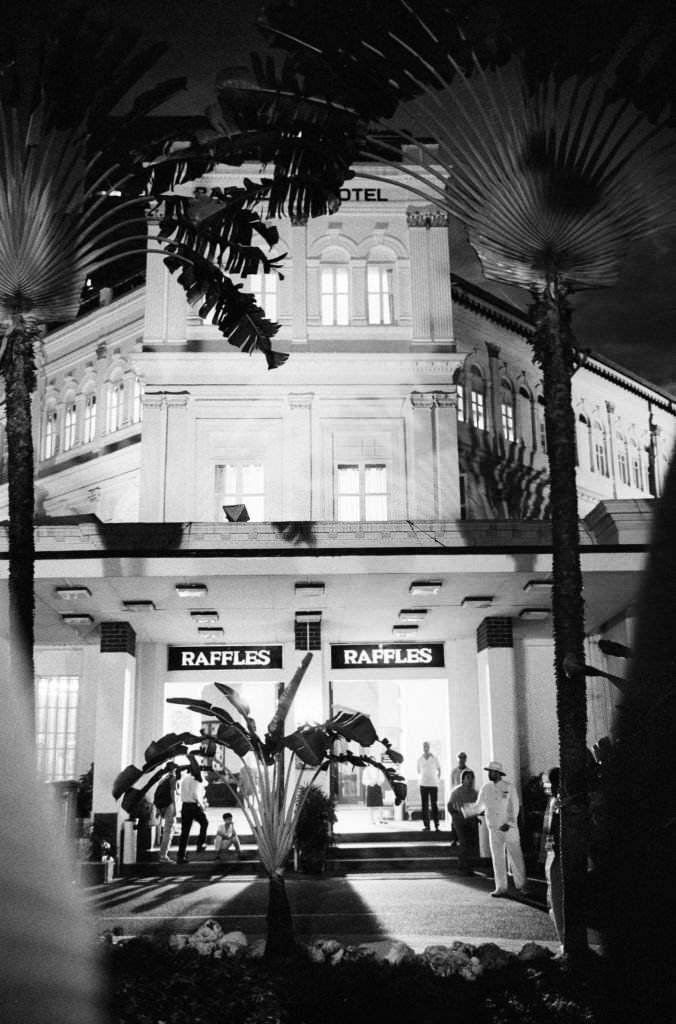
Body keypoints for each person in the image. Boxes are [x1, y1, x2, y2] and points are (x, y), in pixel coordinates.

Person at [462, 760, 530, 897]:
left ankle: (522, 885)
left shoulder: (509, 787)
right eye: (489, 771)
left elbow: (514, 807)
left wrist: (510, 822)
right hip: (493, 828)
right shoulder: (485, 788)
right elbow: (479, 806)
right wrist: (466, 810)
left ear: (498, 773)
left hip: (509, 828)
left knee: (515, 856)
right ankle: (500, 887)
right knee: (497, 857)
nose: (489, 774)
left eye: (491, 772)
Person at [540, 767, 563, 947]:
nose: (544, 786)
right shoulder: (552, 801)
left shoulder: (560, 803)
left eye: (547, 782)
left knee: (558, 900)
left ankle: (565, 943)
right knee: (553, 899)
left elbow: (554, 831)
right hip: (552, 854)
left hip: (559, 855)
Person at [447, 768, 479, 874]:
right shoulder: (456, 792)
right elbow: (450, 807)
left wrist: (476, 817)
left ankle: (463, 864)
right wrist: (456, 817)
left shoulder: (474, 793)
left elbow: (476, 807)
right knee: (464, 842)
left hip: (470, 820)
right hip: (459, 821)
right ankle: (465, 866)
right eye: (468, 778)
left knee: (469, 844)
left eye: (472, 778)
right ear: (463, 779)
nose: (470, 780)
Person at [177, 762, 209, 864]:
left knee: (185, 832)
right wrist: (202, 805)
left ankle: (181, 856)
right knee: (204, 822)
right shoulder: (196, 779)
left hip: (185, 806)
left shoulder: (185, 778)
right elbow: (195, 794)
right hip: (193, 806)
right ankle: (200, 844)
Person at [154, 763, 178, 863]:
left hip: (162, 806)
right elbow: (173, 793)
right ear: (174, 769)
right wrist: (175, 806)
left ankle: (163, 854)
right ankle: (163, 856)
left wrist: (158, 810)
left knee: (166, 830)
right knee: (168, 831)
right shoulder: (173, 778)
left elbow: (157, 794)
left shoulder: (163, 779)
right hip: (169, 805)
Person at [417, 740, 441, 832]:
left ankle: (436, 825)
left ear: (429, 747)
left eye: (427, 746)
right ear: (422, 748)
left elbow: (439, 769)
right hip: (423, 784)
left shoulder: (435, 758)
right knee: (424, 805)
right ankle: (427, 826)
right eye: (424, 746)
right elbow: (418, 771)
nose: (425, 748)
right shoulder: (420, 759)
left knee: (434, 805)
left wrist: (437, 780)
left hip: (433, 784)